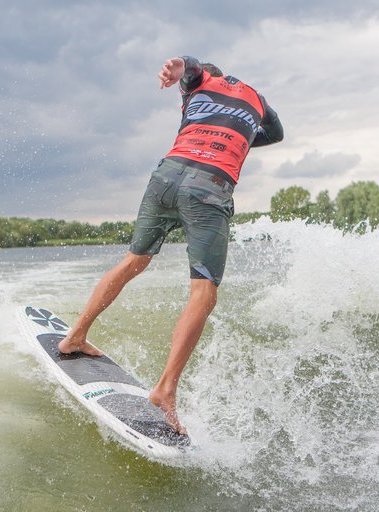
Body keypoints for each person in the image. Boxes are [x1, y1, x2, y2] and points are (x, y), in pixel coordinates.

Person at [57, 55, 284, 434]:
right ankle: (164, 390)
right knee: (203, 292)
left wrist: (179, 68)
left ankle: (75, 336)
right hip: (209, 188)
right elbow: (276, 133)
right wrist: (242, 139)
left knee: (134, 261)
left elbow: (189, 67)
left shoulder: (199, 83)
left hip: (165, 177)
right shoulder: (257, 98)